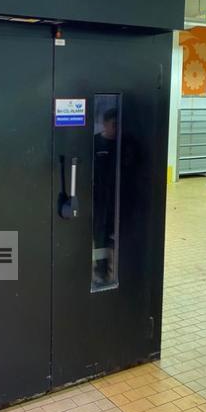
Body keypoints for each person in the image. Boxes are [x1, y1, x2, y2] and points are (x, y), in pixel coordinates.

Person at [92, 107, 118, 289]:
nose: (116, 129)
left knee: (113, 235)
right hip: (99, 199)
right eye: (113, 124)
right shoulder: (95, 143)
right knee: (100, 234)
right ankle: (101, 271)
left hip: (117, 198)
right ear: (105, 124)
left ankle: (112, 270)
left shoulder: (122, 144)